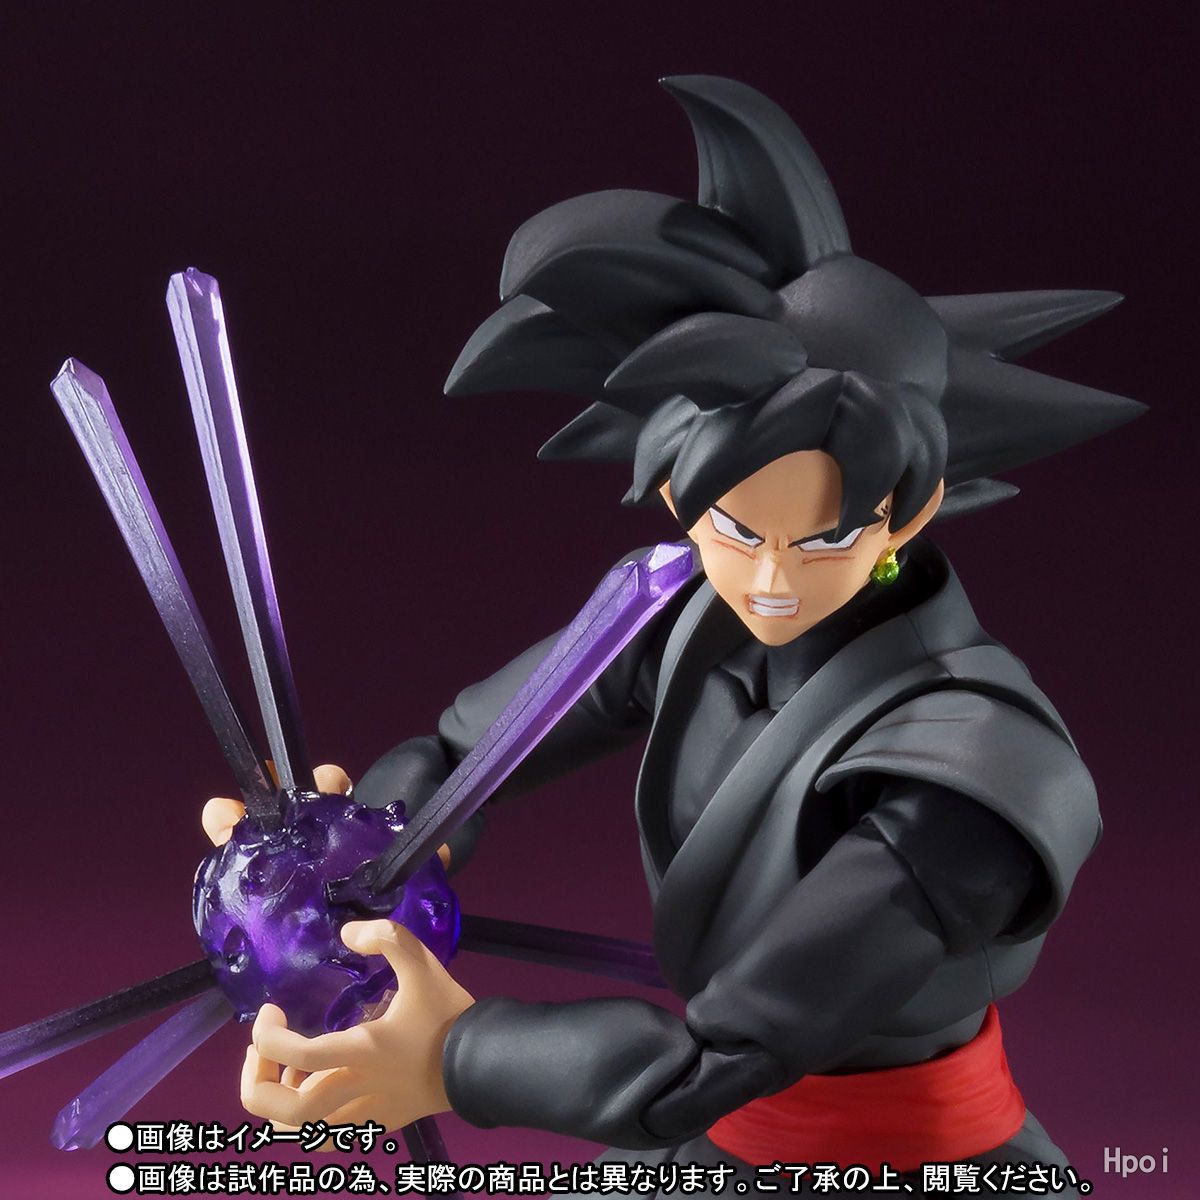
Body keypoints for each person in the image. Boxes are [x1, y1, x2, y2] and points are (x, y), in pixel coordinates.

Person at [210, 76, 1142, 1187]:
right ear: (675, 499)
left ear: (911, 510)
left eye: (826, 537)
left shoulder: (982, 775)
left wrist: (457, 1057)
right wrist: (341, 865)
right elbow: (463, 758)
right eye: (736, 529)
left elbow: (726, 1051)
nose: (771, 579)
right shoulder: (687, 617)